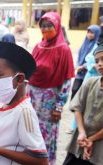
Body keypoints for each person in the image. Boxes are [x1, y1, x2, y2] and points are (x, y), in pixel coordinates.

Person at [28, 12, 75, 165]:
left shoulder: (63, 50)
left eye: (50, 25)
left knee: (45, 136)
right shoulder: (38, 47)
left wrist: (59, 108)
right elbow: (29, 72)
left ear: (57, 27)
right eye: (43, 26)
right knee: (30, 131)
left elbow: (66, 82)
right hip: (32, 99)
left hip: (49, 103)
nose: (46, 29)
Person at [63, 45, 103, 165]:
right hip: (80, 140)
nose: (99, 64)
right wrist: (81, 132)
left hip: (99, 147)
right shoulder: (91, 82)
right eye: (97, 61)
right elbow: (78, 107)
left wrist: (91, 139)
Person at [68, 25, 101, 133]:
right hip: (84, 76)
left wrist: (88, 66)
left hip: (93, 75)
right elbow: (86, 58)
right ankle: (76, 127)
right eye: (88, 32)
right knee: (80, 100)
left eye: (92, 32)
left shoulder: (97, 45)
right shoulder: (86, 44)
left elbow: (92, 61)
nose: (89, 34)